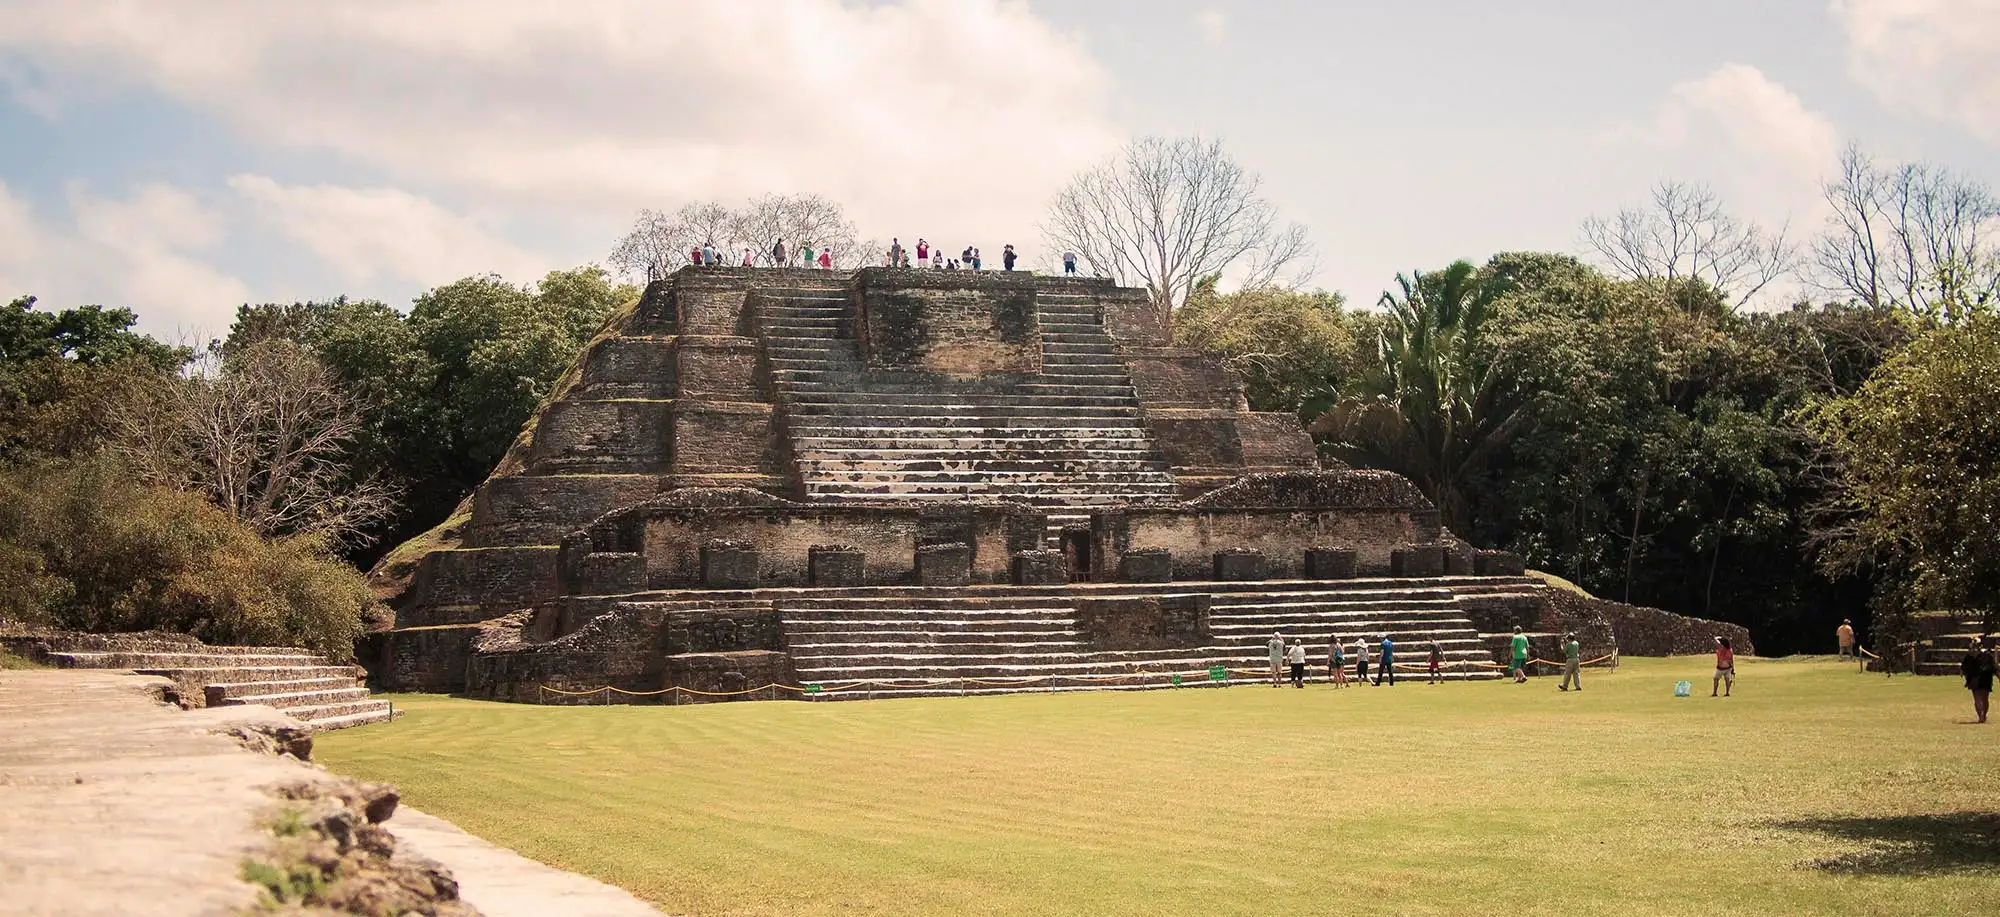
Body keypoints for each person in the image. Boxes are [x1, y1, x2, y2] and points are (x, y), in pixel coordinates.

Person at [1962, 637, 1995, 723]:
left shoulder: (1984, 655)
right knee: (1982, 698)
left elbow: (1964, 669)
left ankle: (1981, 715)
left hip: (1982, 678)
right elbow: (1994, 667)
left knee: (1980, 698)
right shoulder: (1970, 656)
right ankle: (1982, 715)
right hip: (1980, 678)